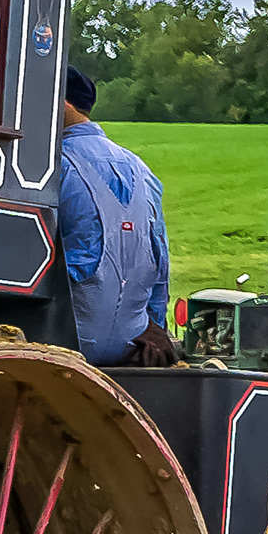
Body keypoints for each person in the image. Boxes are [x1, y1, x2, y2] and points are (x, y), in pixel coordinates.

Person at [54, 66, 179, 366]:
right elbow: (160, 262)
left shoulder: (51, 166)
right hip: (132, 348)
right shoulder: (143, 171)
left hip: (61, 348)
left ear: (61, 104)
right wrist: (155, 327)